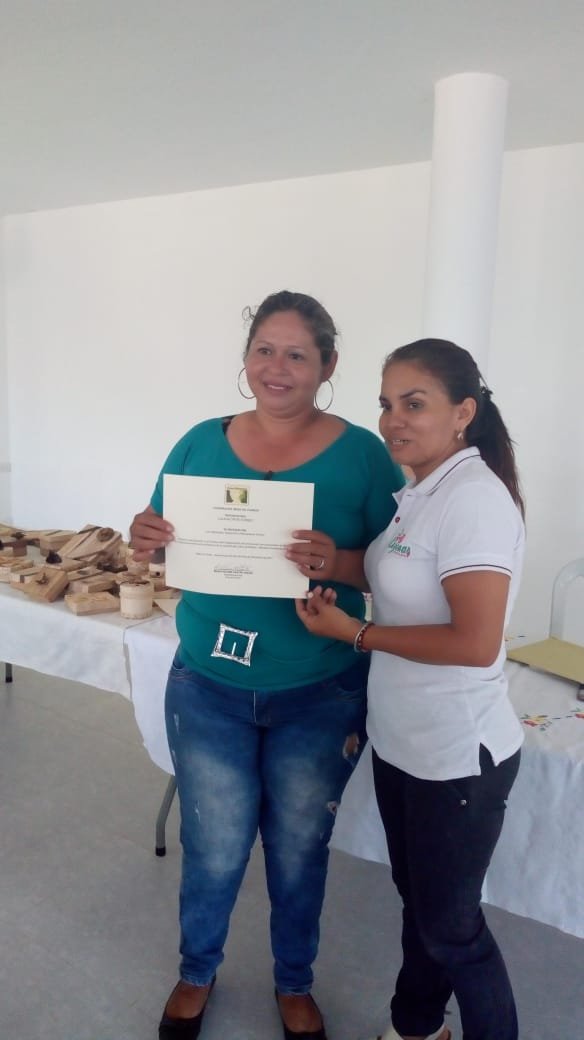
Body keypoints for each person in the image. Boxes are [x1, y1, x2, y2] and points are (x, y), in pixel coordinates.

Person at [129, 290, 404, 1040]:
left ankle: (294, 981)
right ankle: (197, 971)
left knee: (297, 851)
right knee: (214, 846)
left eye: (297, 355)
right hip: (208, 684)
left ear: (328, 366)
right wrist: (144, 537)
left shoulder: (363, 455)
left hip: (319, 689)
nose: (276, 368)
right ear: (246, 357)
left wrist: (337, 559)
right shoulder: (199, 442)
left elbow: (402, 568)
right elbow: (157, 541)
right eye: (264, 350)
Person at [296, 338, 525, 1040]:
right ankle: (418, 1027)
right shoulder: (421, 493)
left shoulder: (473, 499)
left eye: (414, 403)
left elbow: (474, 642)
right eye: (387, 403)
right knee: (421, 908)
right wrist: (332, 561)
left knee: (453, 930)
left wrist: (355, 634)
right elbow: (394, 574)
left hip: (455, 756)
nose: (393, 419)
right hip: (404, 743)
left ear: (463, 412)